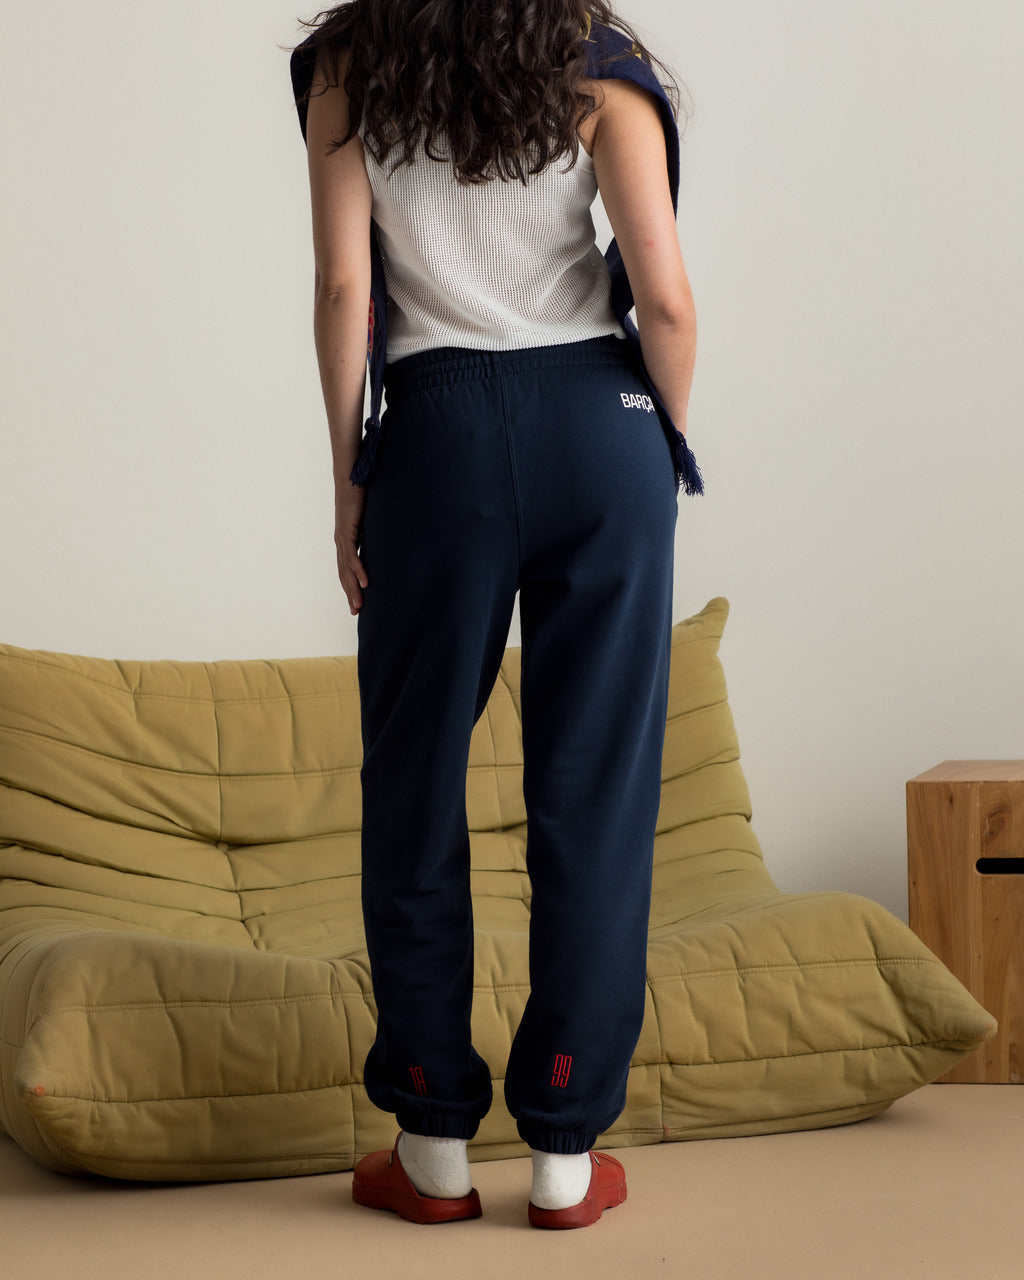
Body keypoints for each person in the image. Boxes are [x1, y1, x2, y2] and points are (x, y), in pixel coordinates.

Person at [289, 0, 699, 1229]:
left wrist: (347, 473)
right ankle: (566, 1146)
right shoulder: (601, 64)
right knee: (595, 788)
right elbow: (666, 301)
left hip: (433, 431)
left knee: (414, 781)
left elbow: (341, 285)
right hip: (599, 428)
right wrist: (663, 443)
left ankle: (430, 1140)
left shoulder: (348, 68)